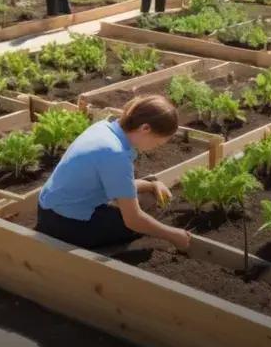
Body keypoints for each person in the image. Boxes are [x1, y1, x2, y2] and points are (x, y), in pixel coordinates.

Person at [37, 96, 191, 252]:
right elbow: (133, 220)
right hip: (65, 226)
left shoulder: (103, 128)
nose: (155, 148)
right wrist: (174, 235)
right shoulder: (115, 155)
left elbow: (119, 186)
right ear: (145, 129)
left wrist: (152, 185)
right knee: (143, 217)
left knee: (146, 197)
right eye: (157, 143)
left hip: (47, 211)